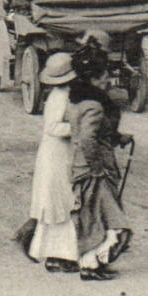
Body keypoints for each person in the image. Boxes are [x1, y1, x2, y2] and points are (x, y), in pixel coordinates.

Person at [14, 52, 81, 273]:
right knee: (59, 204)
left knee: (61, 203)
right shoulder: (58, 98)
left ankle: (59, 253)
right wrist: (79, 129)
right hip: (55, 155)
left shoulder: (66, 95)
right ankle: (56, 255)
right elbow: (52, 128)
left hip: (61, 154)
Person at [67, 68, 133, 281]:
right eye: (103, 76)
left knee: (95, 217)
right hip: (94, 171)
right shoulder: (94, 106)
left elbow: (95, 135)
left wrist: (117, 137)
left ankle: (93, 263)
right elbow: (88, 139)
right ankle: (90, 265)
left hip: (85, 168)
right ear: (92, 79)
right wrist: (97, 168)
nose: (109, 81)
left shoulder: (80, 102)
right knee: (108, 219)